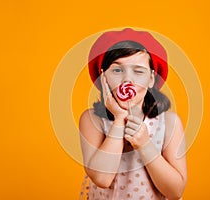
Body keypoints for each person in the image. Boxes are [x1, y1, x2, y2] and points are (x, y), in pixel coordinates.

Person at [79, 28, 187, 200]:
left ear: (151, 78)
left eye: (138, 71)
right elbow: (102, 178)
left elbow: (175, 191)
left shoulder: (169, 123)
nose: (127, 80)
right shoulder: (92, 120)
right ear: (103, 77)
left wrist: (144, 143)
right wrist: (119, 119)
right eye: (117, 70)